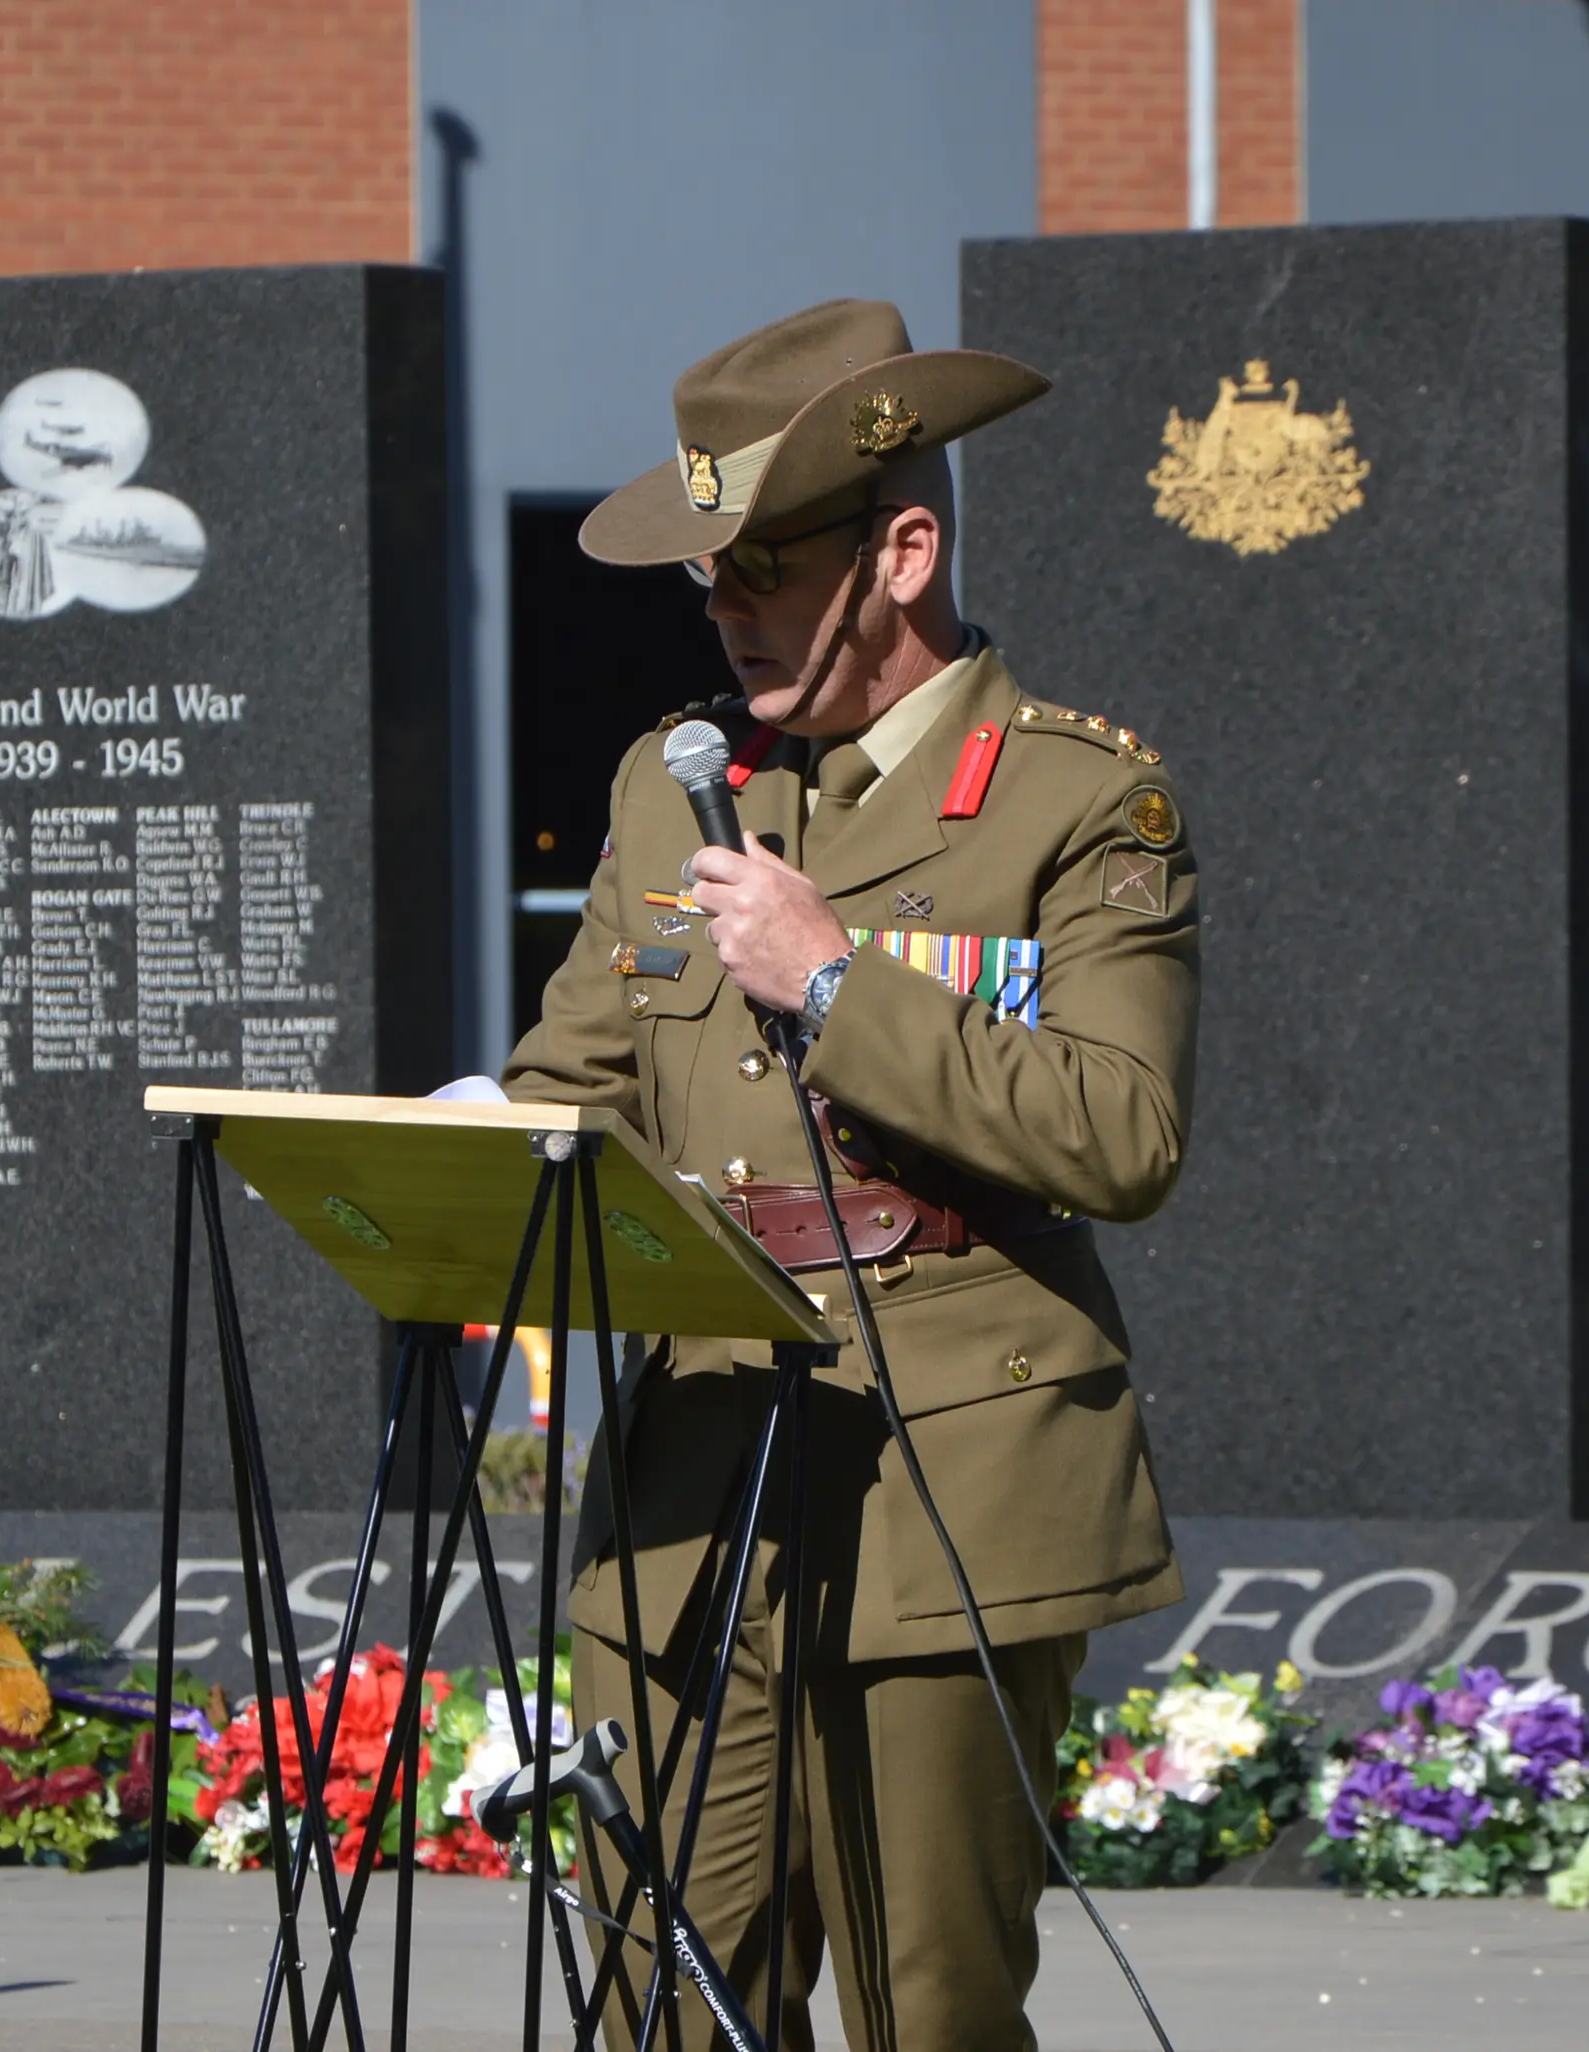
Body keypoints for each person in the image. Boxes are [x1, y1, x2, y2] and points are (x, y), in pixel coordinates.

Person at [504, 298, 1198, 2052]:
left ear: (903, 549)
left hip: (948, 1475)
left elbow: (1124, 1133)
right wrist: (481, 1138)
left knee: (928, 2013)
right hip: (693, 1462)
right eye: (705, 578)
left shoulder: (1077, 802)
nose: (723, 608)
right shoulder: (677, 789)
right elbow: (572, 1082)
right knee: (658, 2000)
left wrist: (836, 983)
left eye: (759, 566)